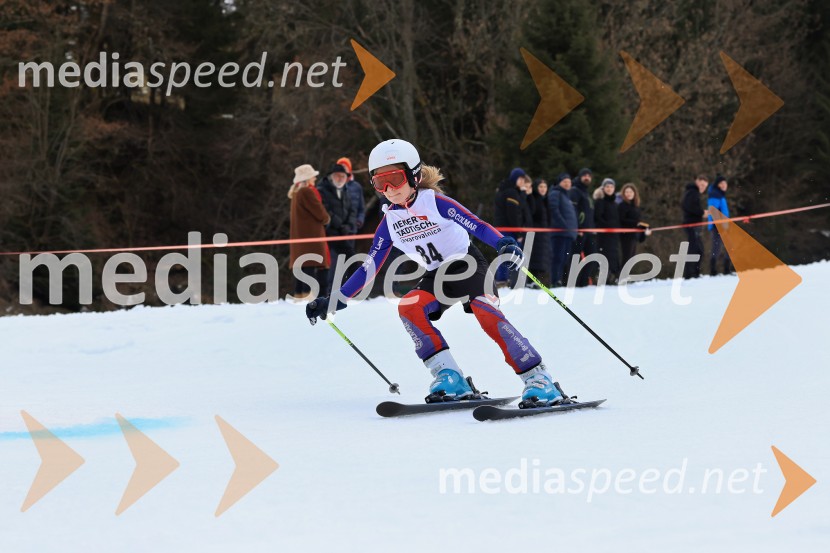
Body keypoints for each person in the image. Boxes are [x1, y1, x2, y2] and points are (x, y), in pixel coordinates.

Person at [306, 139, 565, 407]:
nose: (389, 189)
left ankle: (539, 378)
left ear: (414, 176)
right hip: (437, 277)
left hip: (469, 267)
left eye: (395, 179)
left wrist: (503, 243)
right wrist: (335, 300)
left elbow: (476, 225)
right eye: (380, 182)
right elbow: (368, 267)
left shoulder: (435, 202)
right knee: (409, 307)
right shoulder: (389, 222)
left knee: (485, 311)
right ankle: (449, 376)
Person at [288, 164, 330, 300]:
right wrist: (326, 218)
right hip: (310, 236)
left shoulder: (296, 192)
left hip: (301, 237)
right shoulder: (306, 192)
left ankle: (299, 295)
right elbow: (320, 213)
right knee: (309, 265)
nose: (315, 178)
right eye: (312, 176)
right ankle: (306, 297)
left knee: (303, 267)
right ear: (306, 178)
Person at [318, 163, 358, 294]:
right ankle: (328, 292)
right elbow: (325, 210)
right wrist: (339, 225)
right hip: (328, 232)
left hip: (343, 232)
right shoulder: (322, 190)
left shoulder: (345, 190)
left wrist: (348, 225)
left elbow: (352, 210)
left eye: (343, 176)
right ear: (331, 177)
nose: (340, 179)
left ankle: (352, 288)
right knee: (329, 264)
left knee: (349, 258)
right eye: (337, 176)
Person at [493, 168, 533, 288]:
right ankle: (502, 280)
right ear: (515, 179)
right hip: (508, 228)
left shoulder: (505, 189)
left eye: (523, 180)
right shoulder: (511, 192)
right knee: (509, 254)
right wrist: (519, 232)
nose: (522, 182)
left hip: (502, 227)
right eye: (520, 179)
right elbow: (513, 213)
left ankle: (503, 280)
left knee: (505, 253)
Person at [548, 173, 578, 287]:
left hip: (568, 233)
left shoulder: (567, 196)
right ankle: (555, 280)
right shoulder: (556, 193)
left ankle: (559, 280)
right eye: (565, 181)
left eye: (569, 182)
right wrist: (563, 225)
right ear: (559, 182)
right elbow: (554, 209)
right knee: (558, 258)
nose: (567, 184)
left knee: (564, 259)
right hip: (559, 233)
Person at [569, 168, 597, 286]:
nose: (587, 177)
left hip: (589, 231)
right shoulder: (575, 190)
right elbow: (573, 210)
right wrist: (577, 227)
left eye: (589, 176)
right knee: (575, 258)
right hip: (579, 231)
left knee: (592, 257)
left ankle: (583, 283)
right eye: (584, 175)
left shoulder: (586, 192)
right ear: (580, 177)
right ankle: (573, 283)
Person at [680, 174, 709, 279]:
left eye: (705, 186)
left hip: (695, 225)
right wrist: (702, 212)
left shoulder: (693, 192)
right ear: (697, 182)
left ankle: (695, 273)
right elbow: (687, 206)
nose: (703, 188)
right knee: (694, 249)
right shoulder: (692, 192)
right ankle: (689, 274)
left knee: (699, 249)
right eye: (702, 185)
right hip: (691, 224)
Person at [593, 178, 621, 283]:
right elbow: (598, 217)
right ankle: (604, 277)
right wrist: (608, 226)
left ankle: (615, 276)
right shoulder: (600, 202)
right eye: (607, 187)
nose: (609, 189)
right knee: (605, 255)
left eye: (611, 187)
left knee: (614, 255)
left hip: (614, 235)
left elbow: (618, 219)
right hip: (603, 235)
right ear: (603, 188)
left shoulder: (615, 204)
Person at [617, 183, 649, 271]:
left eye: (630, 192)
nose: (629, 194)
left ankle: (625, 274)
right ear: (623, 194)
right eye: (626, 192)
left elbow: (639, 221)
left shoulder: (636, 206)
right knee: (627, 257)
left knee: (632, 257)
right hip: (626, 235)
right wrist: (636, 223)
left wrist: (645, 227)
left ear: (634, 193)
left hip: (634, 235)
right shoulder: (622, 205)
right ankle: (621, 275)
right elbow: (621, 219)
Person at [527, 178, 551, 286]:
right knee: (534, 258)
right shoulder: (533, 198)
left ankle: (536, 280)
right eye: (540, 186)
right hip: (535, 233)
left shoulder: (545, 200)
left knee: (541, 259)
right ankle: (530, 281)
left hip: (544, 234)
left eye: (545, 187)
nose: (543, 189)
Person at [707, 175, 733, 275]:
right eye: (721, 183)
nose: (724, 185)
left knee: (727, 246)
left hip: (722, 225)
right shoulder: (715, 194)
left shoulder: (719, 194)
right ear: (717, 185)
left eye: (725, 183)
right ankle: (715, 270)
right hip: (718, 226)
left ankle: (725, 269)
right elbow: (713, 211)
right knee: (718, 247)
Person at [337, 156, 366, 233]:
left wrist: (359, 221)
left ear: (349, 169)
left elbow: (361, 208)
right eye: (340, 166)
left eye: (345, 166)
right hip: (335, 229)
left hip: (352, 229)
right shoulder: (333, 186)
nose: (343, 168)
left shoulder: (357, 187)